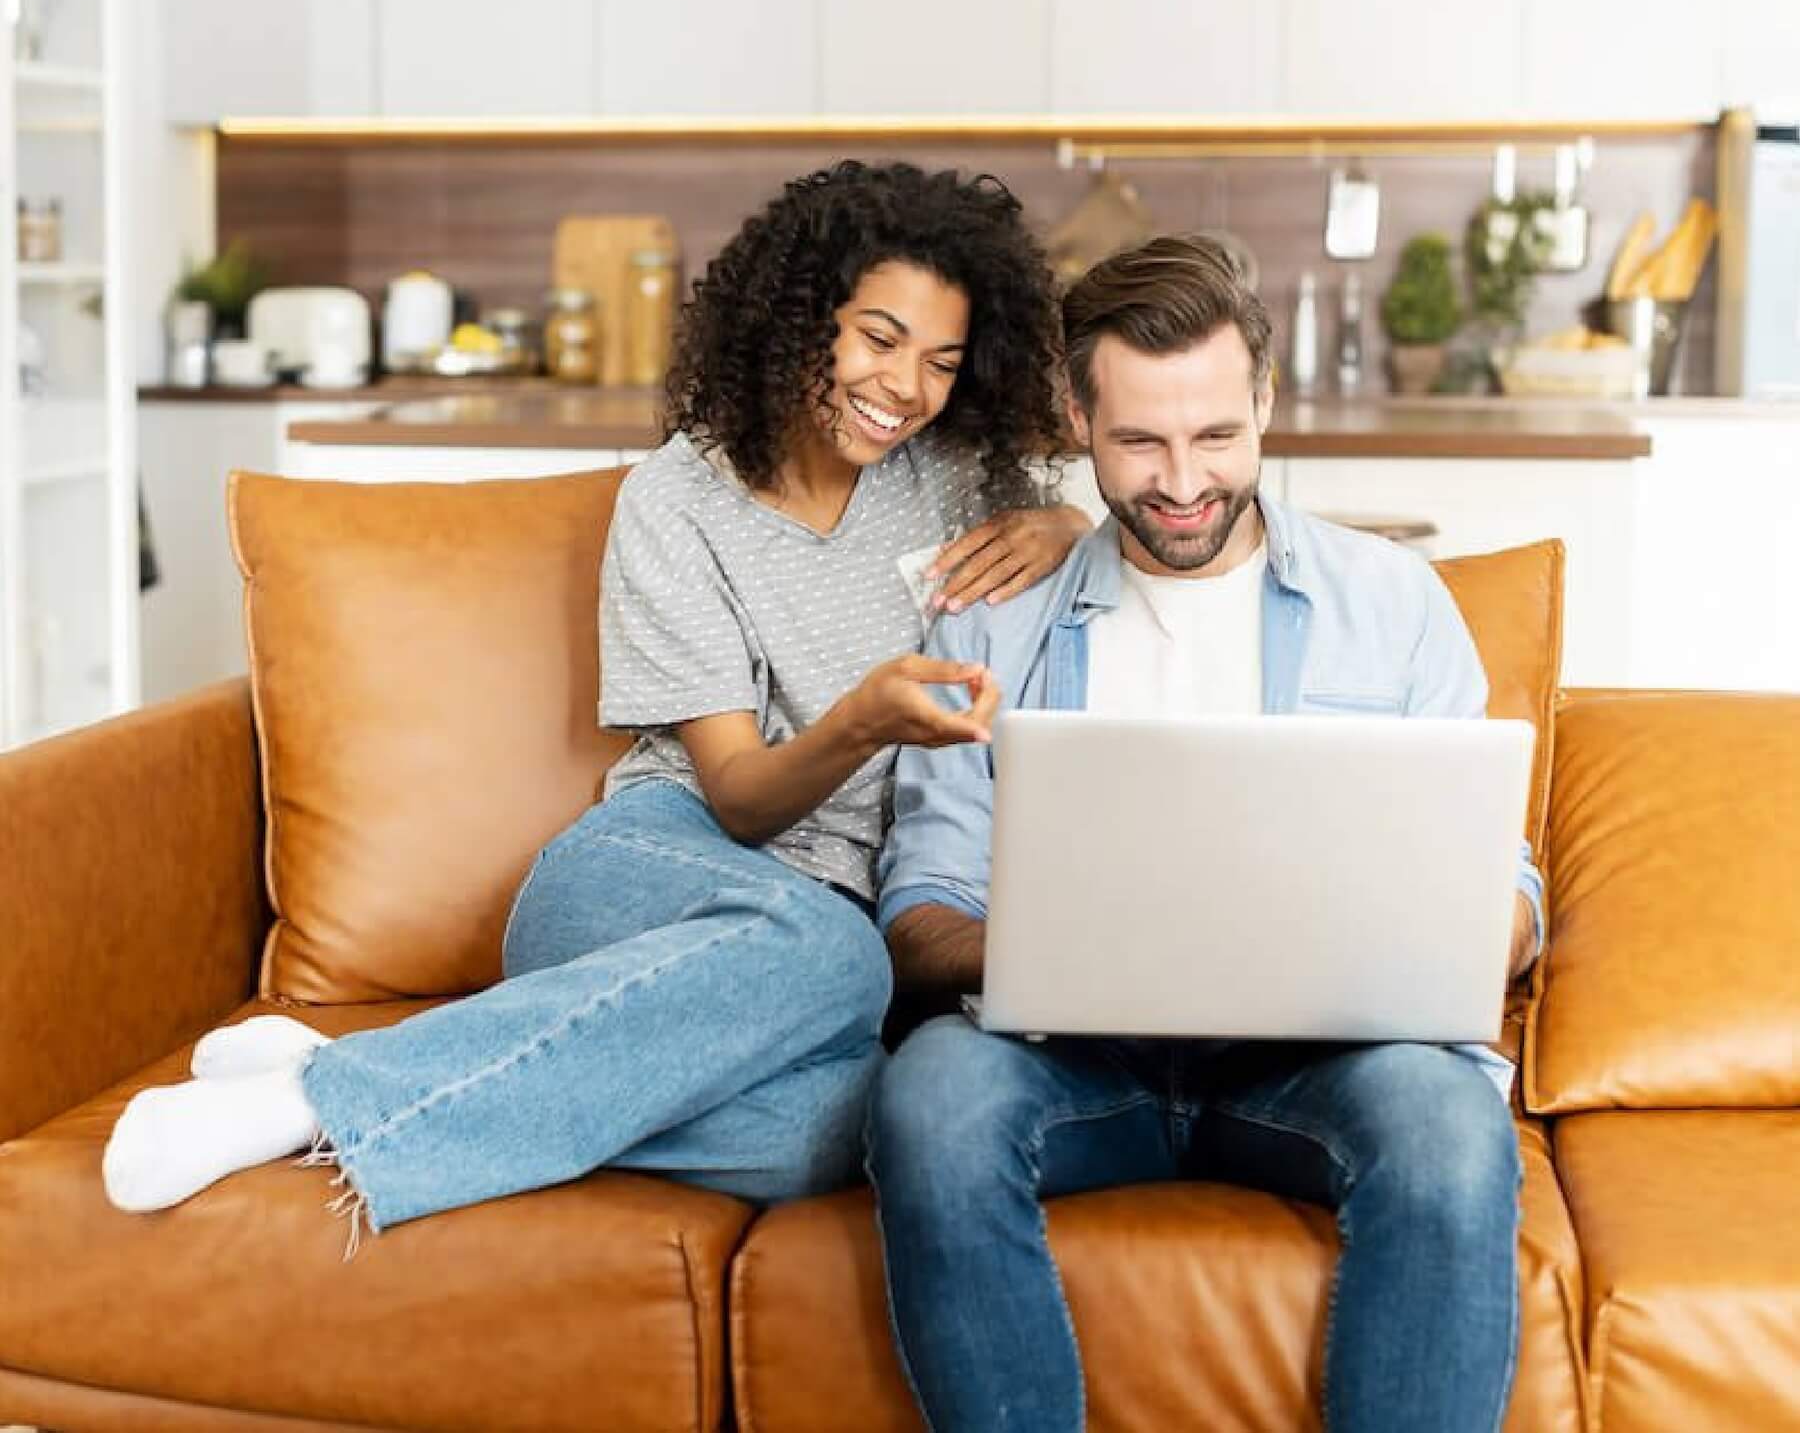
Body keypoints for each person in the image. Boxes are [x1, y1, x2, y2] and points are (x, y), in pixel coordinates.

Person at [102, 161, 1087, 1240]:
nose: (906, 387)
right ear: (804, 317)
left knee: (839, 1123)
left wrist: (1065, 530)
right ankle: (306, 1106)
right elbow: (745, 801)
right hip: (650, 874)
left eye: (942, 361)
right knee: (841, 958)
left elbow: (1091, 554)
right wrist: (866, 716)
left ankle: (369, 1064)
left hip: (792, 964)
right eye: (879, 337)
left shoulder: (948, 478)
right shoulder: (677, 500)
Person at [867, 233, 1545, 1433]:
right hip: (1077, 1065)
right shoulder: (996, 623)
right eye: (1139, 441)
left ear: (1266, 401)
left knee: (1449, 1128)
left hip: (1316, 1068)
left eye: (1217, 436)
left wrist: (1454, 936)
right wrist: (1064, 945)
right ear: (1078, 418)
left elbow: (1513, 890)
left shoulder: (1390, 602)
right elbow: (918, 910)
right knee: (931, 1097)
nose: (1183, 480)